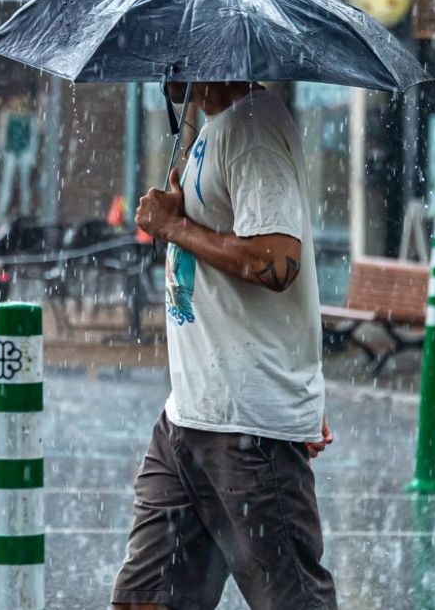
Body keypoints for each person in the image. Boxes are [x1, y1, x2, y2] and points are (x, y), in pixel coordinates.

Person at [115, 81, 337, 610]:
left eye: (177, 55)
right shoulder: (215, 129)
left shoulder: (253, 129)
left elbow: (277, 261)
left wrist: (173, 227)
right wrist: (182, 215)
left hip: (247, 427)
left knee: (293, 602)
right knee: (146, 600)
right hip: (189, 418)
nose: (167, 71)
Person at [0, 95, 39, 221]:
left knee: (24, 185)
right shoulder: (7, 115)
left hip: (25, 152)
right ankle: (0, 214)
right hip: (10, 152)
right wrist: (0, 151)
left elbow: (33, 136)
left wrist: (32, 154)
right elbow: (2, 134)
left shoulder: (30, 117)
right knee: (7, 184)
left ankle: (25, 212)